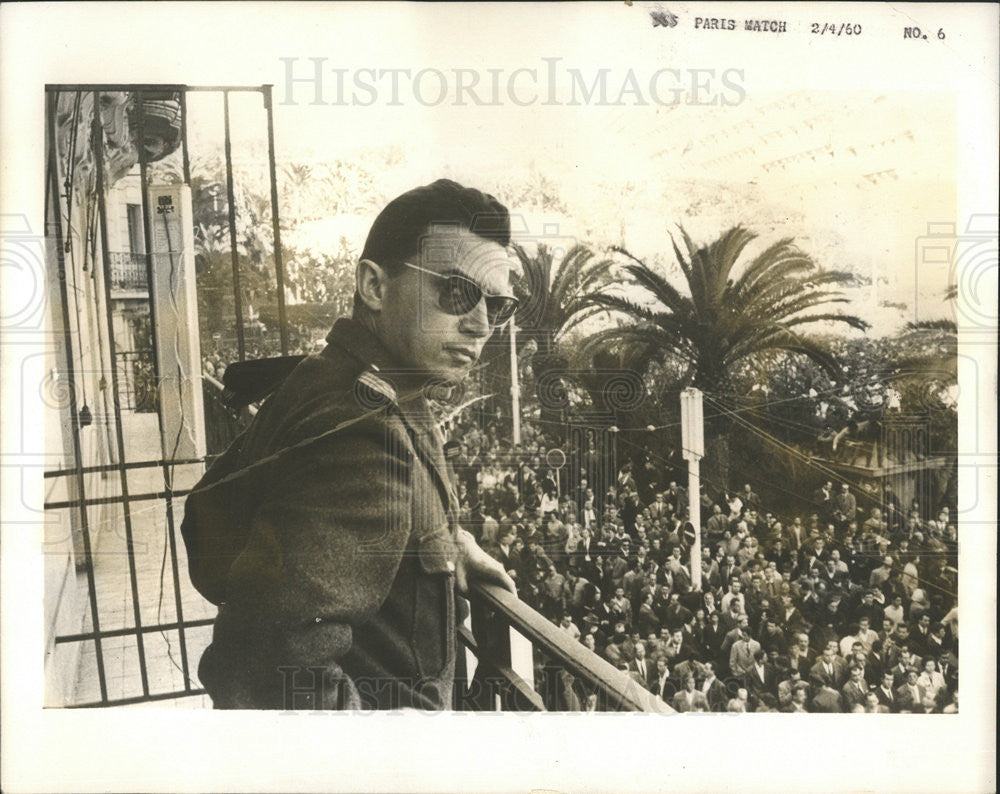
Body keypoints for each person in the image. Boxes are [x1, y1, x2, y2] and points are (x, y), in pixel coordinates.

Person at [182, 180, 518, 710]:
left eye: (498, 306)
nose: (480, 324)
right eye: (457, 292)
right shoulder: (362, 435)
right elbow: (266, 666)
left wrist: (445, 540)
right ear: (374, 286)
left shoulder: (340, 378)